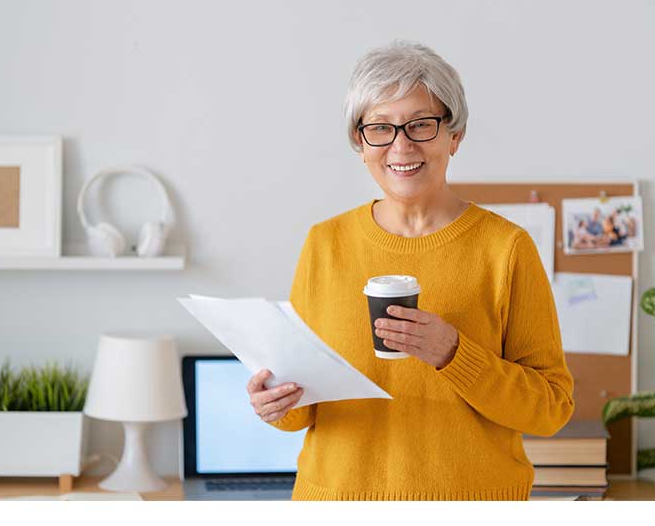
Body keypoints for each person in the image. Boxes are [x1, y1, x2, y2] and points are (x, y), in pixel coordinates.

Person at [246, 40, 575, 501]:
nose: (401, 145)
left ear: (454, 135)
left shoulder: (506, 249)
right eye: (380, 128)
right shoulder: (325, 244)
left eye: (421, 124)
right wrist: (276, 405)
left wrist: (454, 354)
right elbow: (305, 410)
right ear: (360, 143)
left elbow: (551, 409)